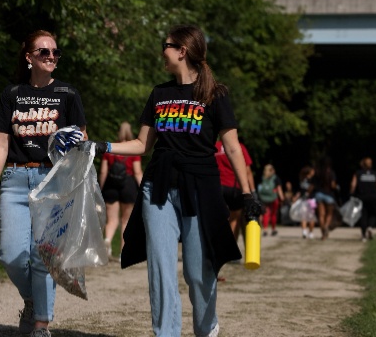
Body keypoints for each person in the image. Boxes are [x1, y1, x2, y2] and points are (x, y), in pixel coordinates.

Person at [86, 24, 260, 337]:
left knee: (196, 272)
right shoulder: (160, 93)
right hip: (158, 187)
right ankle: (165, 332)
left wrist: (248, 195)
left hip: (200, 188)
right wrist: (103, 146)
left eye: (165, 45)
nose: (161, 51)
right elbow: (142, 145)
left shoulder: (214, 94)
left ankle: (207, 326)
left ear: (182, 51)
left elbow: (232, 147)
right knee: (161, 267)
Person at [0, 30, 88, 337]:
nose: (51, 57)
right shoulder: (12, 94)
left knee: (42, 254)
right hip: (14, 180)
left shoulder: (68, 94)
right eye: (44, 52)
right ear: (29, 57)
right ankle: (31, 299)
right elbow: (1, 142)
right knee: (11, 254)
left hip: (52, 180)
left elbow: (81, 138)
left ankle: (41, 324)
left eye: (55, 52)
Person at [99, 121, 144, 259]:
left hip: (111, 186)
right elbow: (137, 172)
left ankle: (107, 241)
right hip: (128, 186)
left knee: (111, 220)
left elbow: (103, 172)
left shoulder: (111, 149)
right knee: (125, 221)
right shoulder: (133, 150)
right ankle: (122, 254)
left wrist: (101, 187)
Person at [214, 139, 255, 243]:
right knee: (234, 219)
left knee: (218, 219)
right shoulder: (238, 146)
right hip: (234, 188)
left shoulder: (215, 146)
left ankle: (215, 246)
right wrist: (252, 190)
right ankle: (229, 249)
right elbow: (248, 171)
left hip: (217, 187)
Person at [349, 157, 376, 242]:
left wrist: (351, 193)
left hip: (362, 197)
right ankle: (370, 227)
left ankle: (363, 236)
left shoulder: (358, 173)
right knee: (373, 214)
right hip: (374, 197)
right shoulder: (375, 174)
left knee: (363, 216)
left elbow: (353, 185)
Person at [312, 156, 337, 240]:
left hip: (319, 194)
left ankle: (323, 234)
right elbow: (333, 185)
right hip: (329, 195)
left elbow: (313, 185)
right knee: (329, 214)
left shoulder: (317, 173)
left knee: (321, 215)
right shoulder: (331, 173)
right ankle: (326, 226)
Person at [257, 164, 284, 236]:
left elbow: (259, 188)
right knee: (273, 214)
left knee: (266, 213)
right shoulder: (275, 178)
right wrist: (282, 197)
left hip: (263, 198)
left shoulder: (262, 178)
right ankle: (273, 229)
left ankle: (265, 229)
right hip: (273, 198)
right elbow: (279, 189)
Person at [295, 166, 316, 239]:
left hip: (303, 200)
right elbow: (312, 188)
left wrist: (296, 197)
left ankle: (304, 231)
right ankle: (311, 233)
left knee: (303, 217)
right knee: (311, 217)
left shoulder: (302, 180)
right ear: (309, 173)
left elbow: (300, 191)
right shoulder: (313, 181)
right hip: (311, 200)